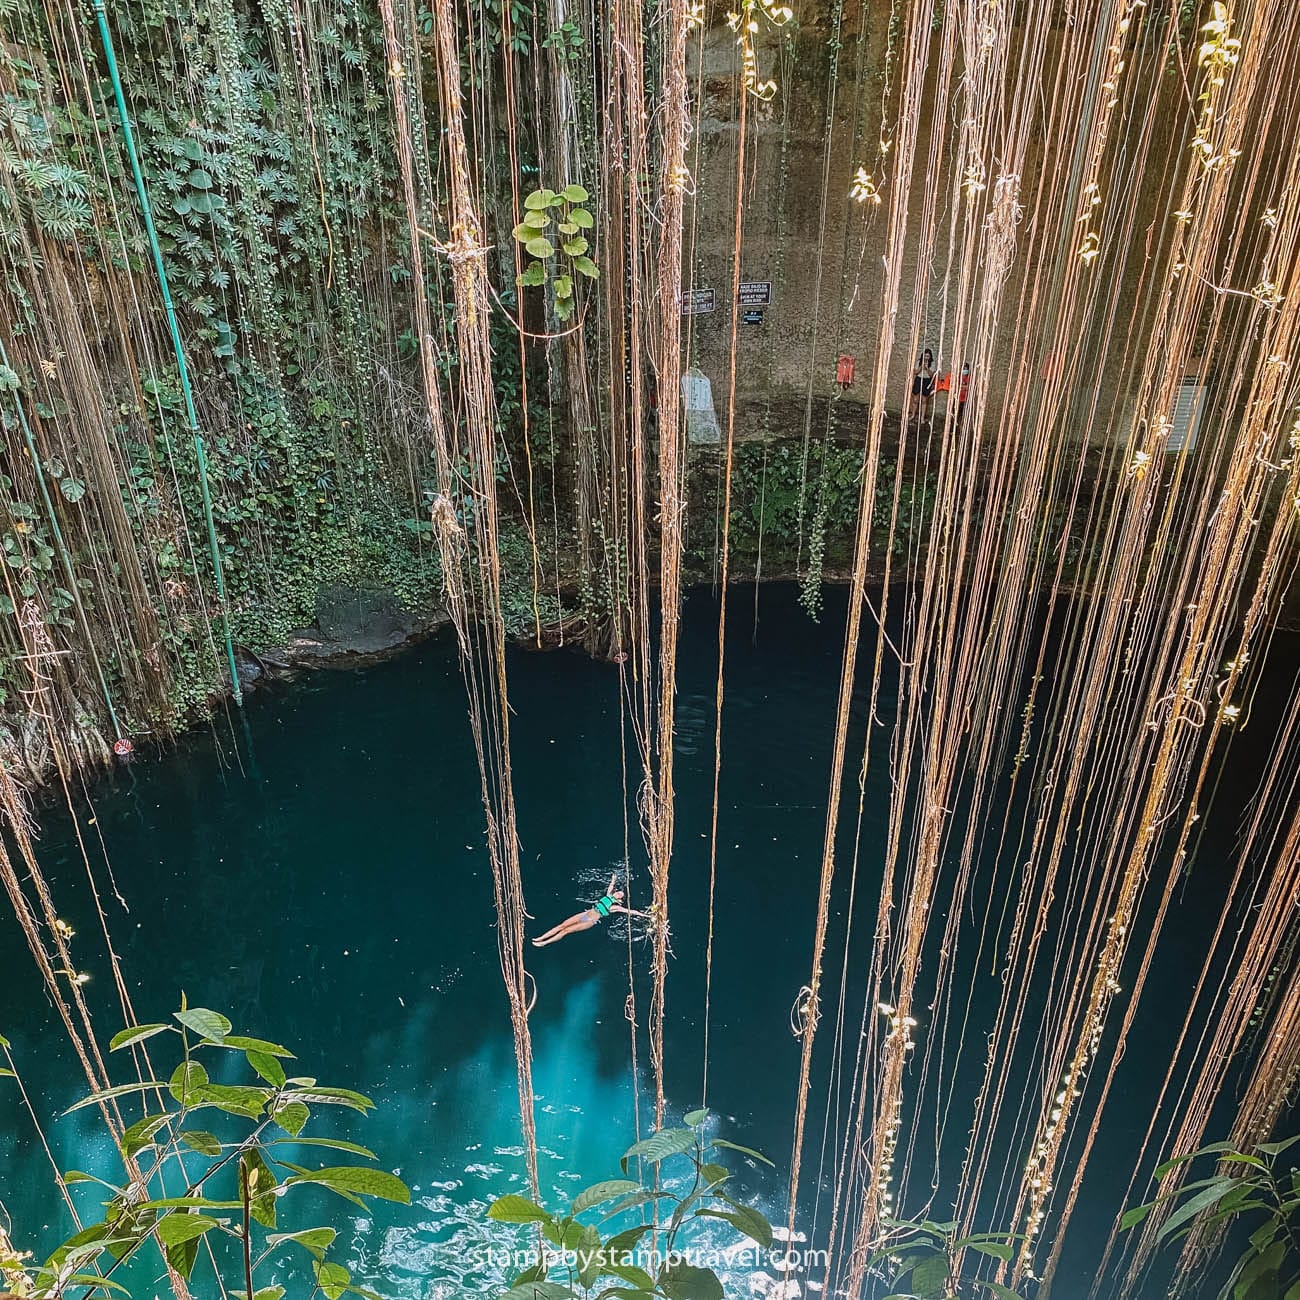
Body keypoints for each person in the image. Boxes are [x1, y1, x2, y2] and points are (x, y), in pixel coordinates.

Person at [531, 875, 646, 947]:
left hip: (590, 920)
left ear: (619, 900)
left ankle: (544, 943)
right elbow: (611, 885)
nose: (618, 893)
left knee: (566, 931)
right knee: (561, 925)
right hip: (585, 914)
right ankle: (540, 937)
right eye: (618, 892)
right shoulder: (607, 896)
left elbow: (630, 911)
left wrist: (643, 915)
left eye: (620, 895)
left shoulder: (614, 907)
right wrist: (614, 879)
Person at [910, 349, 936, 426]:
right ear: (923, 355)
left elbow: (932, 375)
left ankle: (922, 418)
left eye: (928, 356)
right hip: (918, 379)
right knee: (915, 399)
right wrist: (921, 367)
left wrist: (927, 368)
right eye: (925, 355)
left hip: (927, 381)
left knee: (924, 400)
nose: (926, 357)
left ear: (930, 356)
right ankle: (913, 415)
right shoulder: (918, 361)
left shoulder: (933, 363)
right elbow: (915, 372)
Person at [956, 360, 972, 428]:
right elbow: (955, 385)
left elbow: (970, 387)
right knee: (956, 413)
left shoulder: (969, 378)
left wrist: (961, 386)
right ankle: (955, 425)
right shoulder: (958, 377)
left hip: (965, 399)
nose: (964, 370)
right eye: (963, 369)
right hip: (957, 398)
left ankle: (961, 426)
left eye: (965, 369)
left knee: (963, 414)